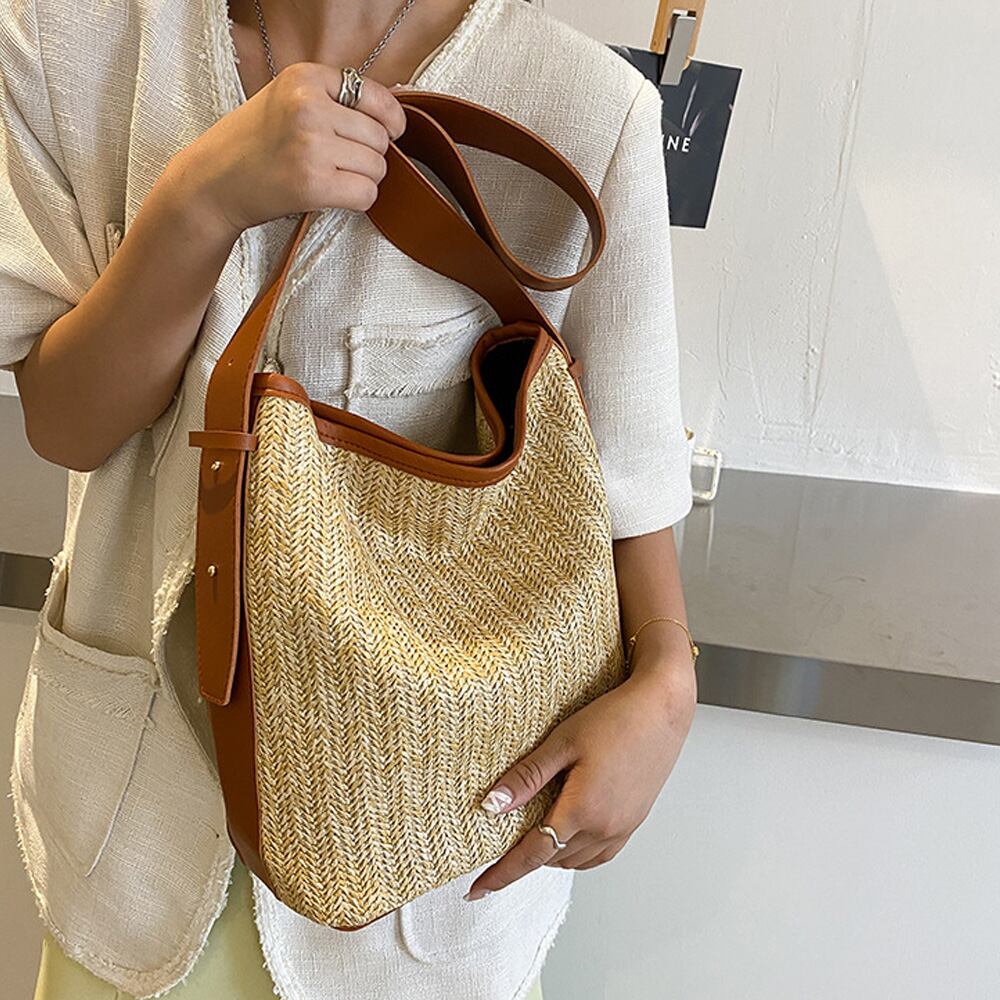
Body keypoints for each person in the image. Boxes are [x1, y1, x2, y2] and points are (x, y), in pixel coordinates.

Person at [0, 0, 699, 996]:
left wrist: (668, 687)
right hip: (138, 834)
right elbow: (65, 426)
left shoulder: (587, 107)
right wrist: (199, 201)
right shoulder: (70, 38)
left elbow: (622, 487)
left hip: (428, 858)